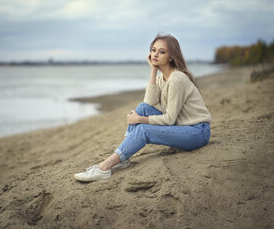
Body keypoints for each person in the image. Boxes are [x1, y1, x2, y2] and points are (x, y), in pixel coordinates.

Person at [74, 33, 212, 182]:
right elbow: (149, 102)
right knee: (142, 107)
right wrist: (153, 70)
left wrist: (140, 119)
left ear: (171, 57)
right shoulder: (162, 77)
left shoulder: (177, 79)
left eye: (162, 52)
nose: (155, 54)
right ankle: (124, 159)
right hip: (182, 126)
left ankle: (104, 168)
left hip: (197, 132)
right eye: (153, 50)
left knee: (143, 128)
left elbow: (170, 119)